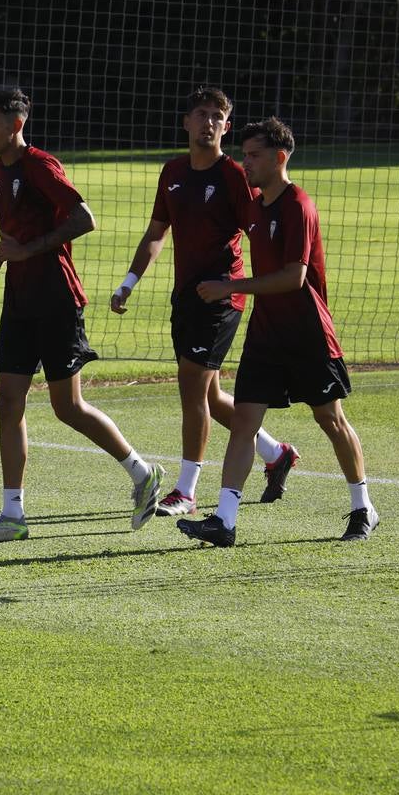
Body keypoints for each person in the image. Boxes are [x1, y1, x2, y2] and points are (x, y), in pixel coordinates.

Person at [0, 89, 163, 543]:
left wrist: (26, 251)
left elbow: (84, 218)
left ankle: (142, 472)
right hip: (19, 300)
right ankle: (12, 514)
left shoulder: (40, 165)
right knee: (8, 403)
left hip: (57, 298)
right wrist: (4, 259)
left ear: (16, 124)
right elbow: (21, 235)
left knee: (67, 407)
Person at [177, 117, 380, 546]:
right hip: (265, 334)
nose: (245, 162)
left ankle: (364, 508)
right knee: (245, 421)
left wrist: (229, 287)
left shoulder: (298, 205)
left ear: (279, 158)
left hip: (308, 333)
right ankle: (225, 520)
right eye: (244, 154)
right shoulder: (252, 205)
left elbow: (293, 277)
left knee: (330, 419)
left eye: (254, 155)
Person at [111, 87, 299, 517]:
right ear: (187, 122)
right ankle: (276, 453)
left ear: (226, 127)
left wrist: (258, 285)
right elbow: (157, 232)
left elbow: (259, 230)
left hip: (222, 298)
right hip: (186, 298)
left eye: (218, 116)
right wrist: (127, 283)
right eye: (201, 113)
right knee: (211, 396)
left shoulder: (233, 175)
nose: (209, 121)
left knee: (191, 386)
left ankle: (186, 490)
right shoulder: (172, 171)